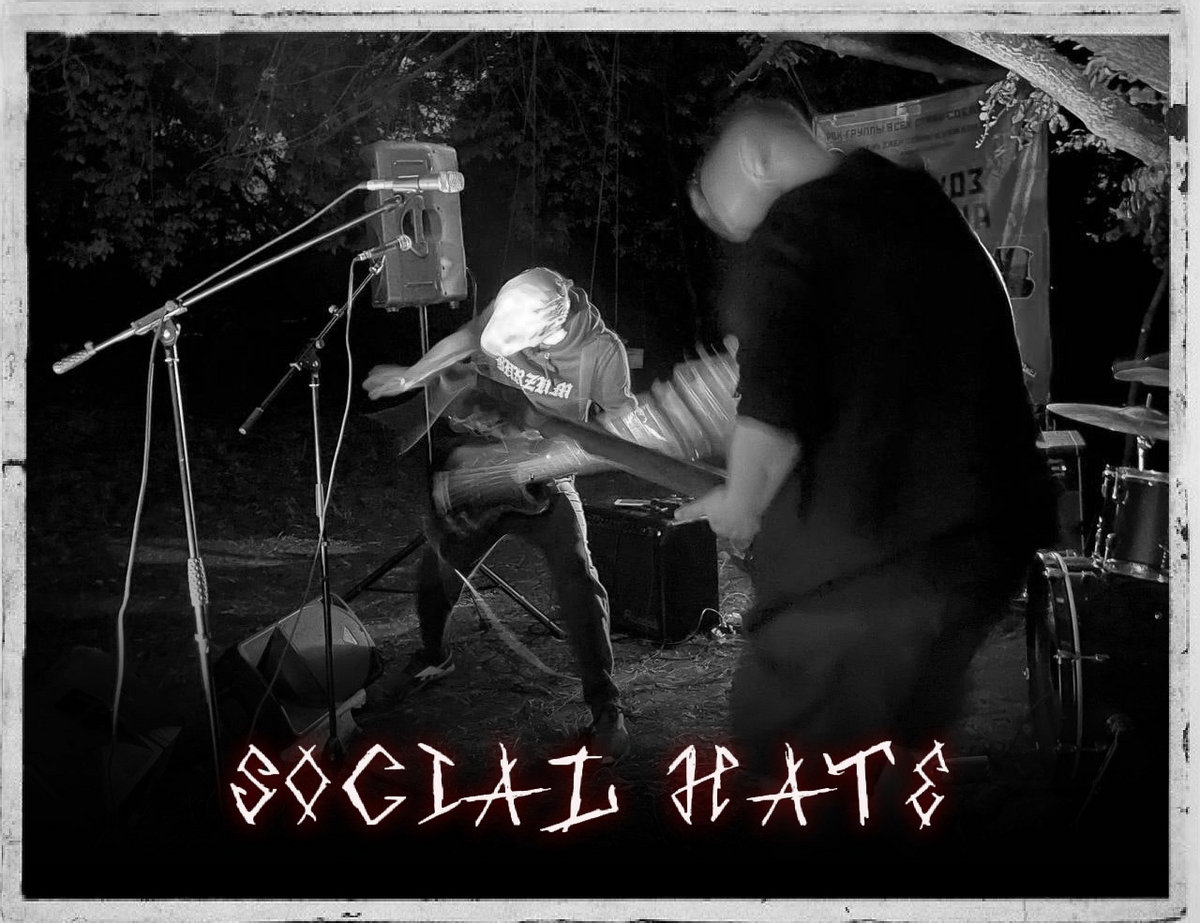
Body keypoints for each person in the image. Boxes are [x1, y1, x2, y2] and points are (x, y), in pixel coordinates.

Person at [676, 97, 1057, 809]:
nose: (732, 233)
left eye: (723, 212)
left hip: (869, 567)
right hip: (983, 546)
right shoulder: (918, 204)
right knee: (899, 755)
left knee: (791, 765)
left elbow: (773, 398)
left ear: (755, 157)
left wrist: (739, 501)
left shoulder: (794, 226)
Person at [363, 266, 636, 764]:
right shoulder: (517, 302)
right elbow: (467, 338)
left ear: (549, 327)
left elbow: (623, 434)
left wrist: (556, 458)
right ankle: (432, 658)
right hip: (484, 463)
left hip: (546, 478)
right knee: (437, 569)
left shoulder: (601, 352)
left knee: (578, 578)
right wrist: (410, 376)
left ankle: (605, 703)